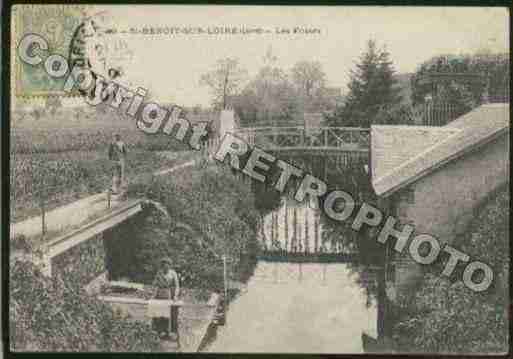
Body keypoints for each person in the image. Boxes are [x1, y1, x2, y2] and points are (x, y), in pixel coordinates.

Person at [151, 257, 180, 339]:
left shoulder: (173, 273)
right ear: (162, 266)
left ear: (170, 265)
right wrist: (152, 294)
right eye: (164, 265)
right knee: (158, 312)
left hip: (167, 293)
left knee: (167, 313)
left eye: (167, 265)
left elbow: (177, 286)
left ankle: (167, 332)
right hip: (159, 294)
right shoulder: (159, 272)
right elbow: (155, 284)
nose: (165, 267)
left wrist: (175, 295)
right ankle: (158, 331)